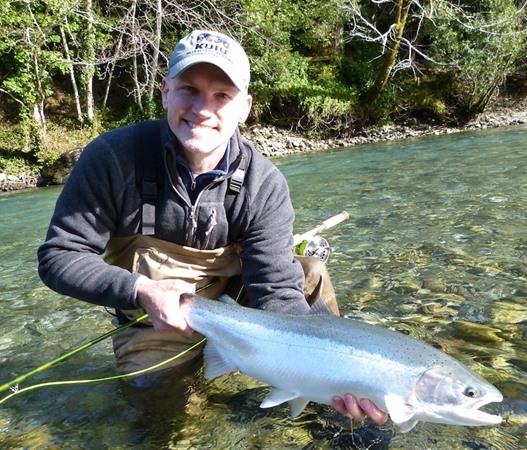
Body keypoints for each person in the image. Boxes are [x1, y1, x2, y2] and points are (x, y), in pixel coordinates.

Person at [37, 29, 387, 425]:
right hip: (151, 315)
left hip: (240, 305)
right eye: (189, 89)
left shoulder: (263, 182)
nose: (203, 109)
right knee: (161, 418)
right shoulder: (112, 159)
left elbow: (274, 291)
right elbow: (59, 257)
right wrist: (138, 289)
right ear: (165, 92)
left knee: (308, 274)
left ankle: (335, 416)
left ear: (245, 108)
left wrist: (330, 371)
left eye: (222, 95)